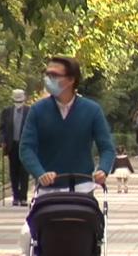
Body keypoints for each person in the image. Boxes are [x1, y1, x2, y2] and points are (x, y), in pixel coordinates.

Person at [19, 56, 115, 189]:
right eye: (47, 74)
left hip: (83, 188)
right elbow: (26, 148)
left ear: (71, 79)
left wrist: (103, 169)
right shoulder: (38, 110)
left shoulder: (92, 110)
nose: (48, 79)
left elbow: (107, 147)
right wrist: (39, 173)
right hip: (47, 190)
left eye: (54, 75)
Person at [0, 89, 30, 206]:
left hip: (25, 146)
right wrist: (2, 141)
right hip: (12, 145)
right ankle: (15, 197)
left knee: (24, 171)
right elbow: (2, 129)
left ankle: (23, 198)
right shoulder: (6, 112)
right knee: (14, 172)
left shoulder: (29, 111)